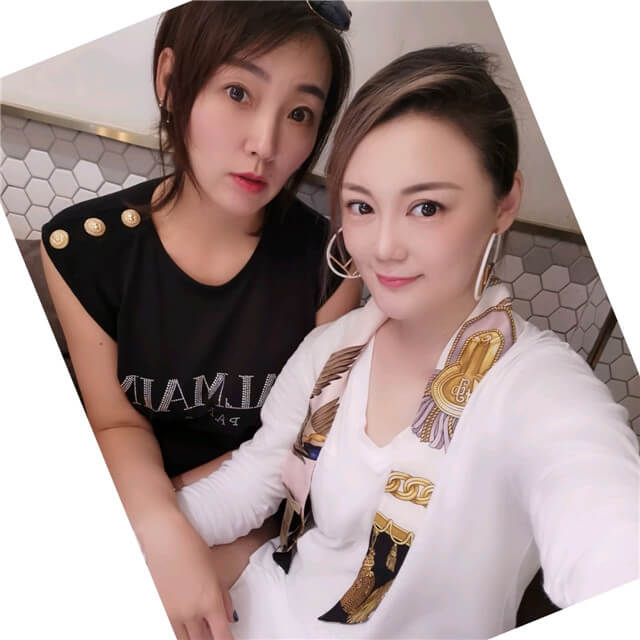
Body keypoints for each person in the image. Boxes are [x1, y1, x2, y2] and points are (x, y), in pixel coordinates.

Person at [175, 45, 640, 638]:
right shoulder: (334, 350)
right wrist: (146, 533)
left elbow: (606, 535)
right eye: (362, 206)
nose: (384, 246)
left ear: (504, 203)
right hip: (265, 604)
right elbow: (255, 481)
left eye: (426, 207)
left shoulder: (536, 388)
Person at [40, 2, 360, 638]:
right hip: (131, 504)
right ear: (171, 79)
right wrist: (161, 529)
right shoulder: (84, 249)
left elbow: (300, 447)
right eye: (238, 92)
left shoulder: (330, 264)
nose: (265, 144)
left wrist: (201, 546)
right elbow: (115, 421)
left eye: (299, 113)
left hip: (259, 527)